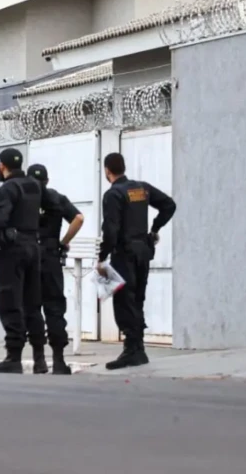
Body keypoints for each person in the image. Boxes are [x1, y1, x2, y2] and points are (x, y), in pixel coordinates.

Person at [0, 148, 60, 374]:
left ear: (2, 166)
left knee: (10, 300)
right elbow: (55, 205)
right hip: (34, 248)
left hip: (13, 250)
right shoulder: (35, 185)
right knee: (33, 303)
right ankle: (39, 359)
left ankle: (13, 357)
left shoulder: (8, 188)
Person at [97, 152, 176, 370]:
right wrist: (154, 229)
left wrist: (102, 256)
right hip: (143, 251)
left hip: (124, 253)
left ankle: (132, 350)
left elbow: (111, 229)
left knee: (124, 300)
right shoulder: (142, 188)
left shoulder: (113, 194)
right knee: (137, 298)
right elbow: (169, 205)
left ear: (107, 170)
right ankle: (138, 349)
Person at [27, 164, 85, 375]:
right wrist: (63, 241)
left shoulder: (23, 200)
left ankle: (39, 359)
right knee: (54, 309)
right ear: (47, 181)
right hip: (51, 258)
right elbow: (78, 218)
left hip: (30, 258)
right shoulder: (56, 198)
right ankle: (59, 361)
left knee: (33, 309)